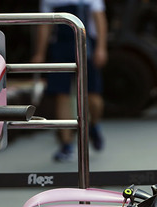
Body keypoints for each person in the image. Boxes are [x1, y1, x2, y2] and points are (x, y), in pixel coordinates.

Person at [33, 0, 108, 162]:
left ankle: (93, 124)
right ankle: (66, 145)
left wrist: (101, 48)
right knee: (62, 95)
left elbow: (99, 18)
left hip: (86, 44)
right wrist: (40, 53)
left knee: (93, 96)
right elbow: (45, 24)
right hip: (60, 47)